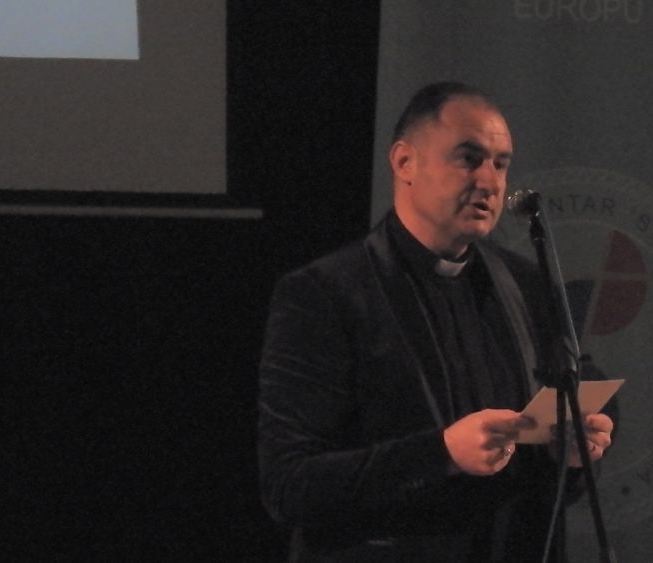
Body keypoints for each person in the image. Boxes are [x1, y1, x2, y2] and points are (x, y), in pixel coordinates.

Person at [257, 81, 614, 562]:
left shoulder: (529, 283)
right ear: (405, 162)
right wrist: (441, 453)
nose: (489, 181)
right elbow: (289, 486)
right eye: (469, 158)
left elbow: (567, 424)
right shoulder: (325, 294)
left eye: (500, 164)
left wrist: (572, 452)